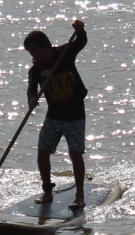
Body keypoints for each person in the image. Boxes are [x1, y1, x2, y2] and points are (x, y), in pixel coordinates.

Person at [24, 20, 89, 210]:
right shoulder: (36, 70)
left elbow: (80, 42)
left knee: (75, 154)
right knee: (42, 152)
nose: (34, 56)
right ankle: (47, 190)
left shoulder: (64, 54)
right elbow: (31, 89)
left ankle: (79, 196)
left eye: (35, 51)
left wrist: (80, 30)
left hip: (75, 114)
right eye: (30, 53)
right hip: (54, 116)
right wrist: (31, 99)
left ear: (45, 47)